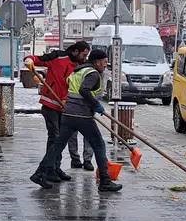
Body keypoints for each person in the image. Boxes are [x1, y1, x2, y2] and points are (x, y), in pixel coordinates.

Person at [31, 49, 122, 193]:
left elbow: (69, 83)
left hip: (68, 114)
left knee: (58, 145)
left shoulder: (79, 70)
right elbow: (84, 90)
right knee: (99, 145)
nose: (106, 65)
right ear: (97, 62)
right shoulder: (92, 74)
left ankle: (40, 173)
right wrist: (95, 104)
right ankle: (105, 180)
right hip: (82, 116)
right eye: (104, 62)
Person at [26, 42, 90, 174]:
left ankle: (56, 167)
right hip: (50, 104)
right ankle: (50, 169)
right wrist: (29, 61)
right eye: (84, 54)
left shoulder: (80, 67)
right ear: (76, 51)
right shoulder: (57, 57)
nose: (85, 58)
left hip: (65, 107)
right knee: (55, 137)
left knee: (61, 139)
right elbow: (36, 59)